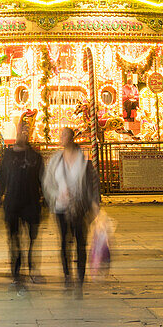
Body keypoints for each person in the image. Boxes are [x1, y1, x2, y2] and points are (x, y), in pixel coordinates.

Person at [43, 127, 100, 297]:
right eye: (61, 135)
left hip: (80, 207)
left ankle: (80, 279)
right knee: (64, 240)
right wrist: (55, 195)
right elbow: (48, 182)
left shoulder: (84, 161)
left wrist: (94, 204)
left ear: (72, 137)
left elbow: (93, 184)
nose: (62, 137)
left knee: (80, 242)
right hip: (61, 206)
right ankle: (67, 275)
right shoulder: (56, 160)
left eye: (65, 135)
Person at [0, 117, 45, 290]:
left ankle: (32, 268)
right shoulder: (8, 155)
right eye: (22, 129)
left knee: (32, 239)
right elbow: (2, 176)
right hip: (13, 201)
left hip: (31, 201)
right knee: (14, 239)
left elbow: (42, 179)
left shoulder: (35, 156)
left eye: (27, 130)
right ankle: (16, 272)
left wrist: (45, 198)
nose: (24, 132)